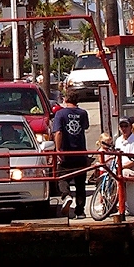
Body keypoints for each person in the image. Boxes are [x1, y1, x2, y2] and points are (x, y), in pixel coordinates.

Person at [51, 89, 90, 218]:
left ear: (65, 100)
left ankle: (66, 195)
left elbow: (58, 132)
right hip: (80, 152)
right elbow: (85, 127)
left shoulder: (60, 114)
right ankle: (80, 211)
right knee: (80, 183)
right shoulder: (83, 113)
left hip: (66, 153)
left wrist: (58, 149)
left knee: (62, 177)